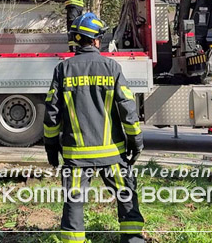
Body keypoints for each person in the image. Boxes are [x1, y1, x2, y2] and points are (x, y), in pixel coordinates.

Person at [43, 12, 145, 243]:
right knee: (126, 195)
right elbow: (128, 111)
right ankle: (133, 239)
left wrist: (51, 148)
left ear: (77, 39)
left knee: (74, 202)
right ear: (97, 40)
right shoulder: (112, 68)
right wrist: (135, 142)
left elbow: (52, 115)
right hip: (112, 153)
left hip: (76, 155)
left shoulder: (63, 70)